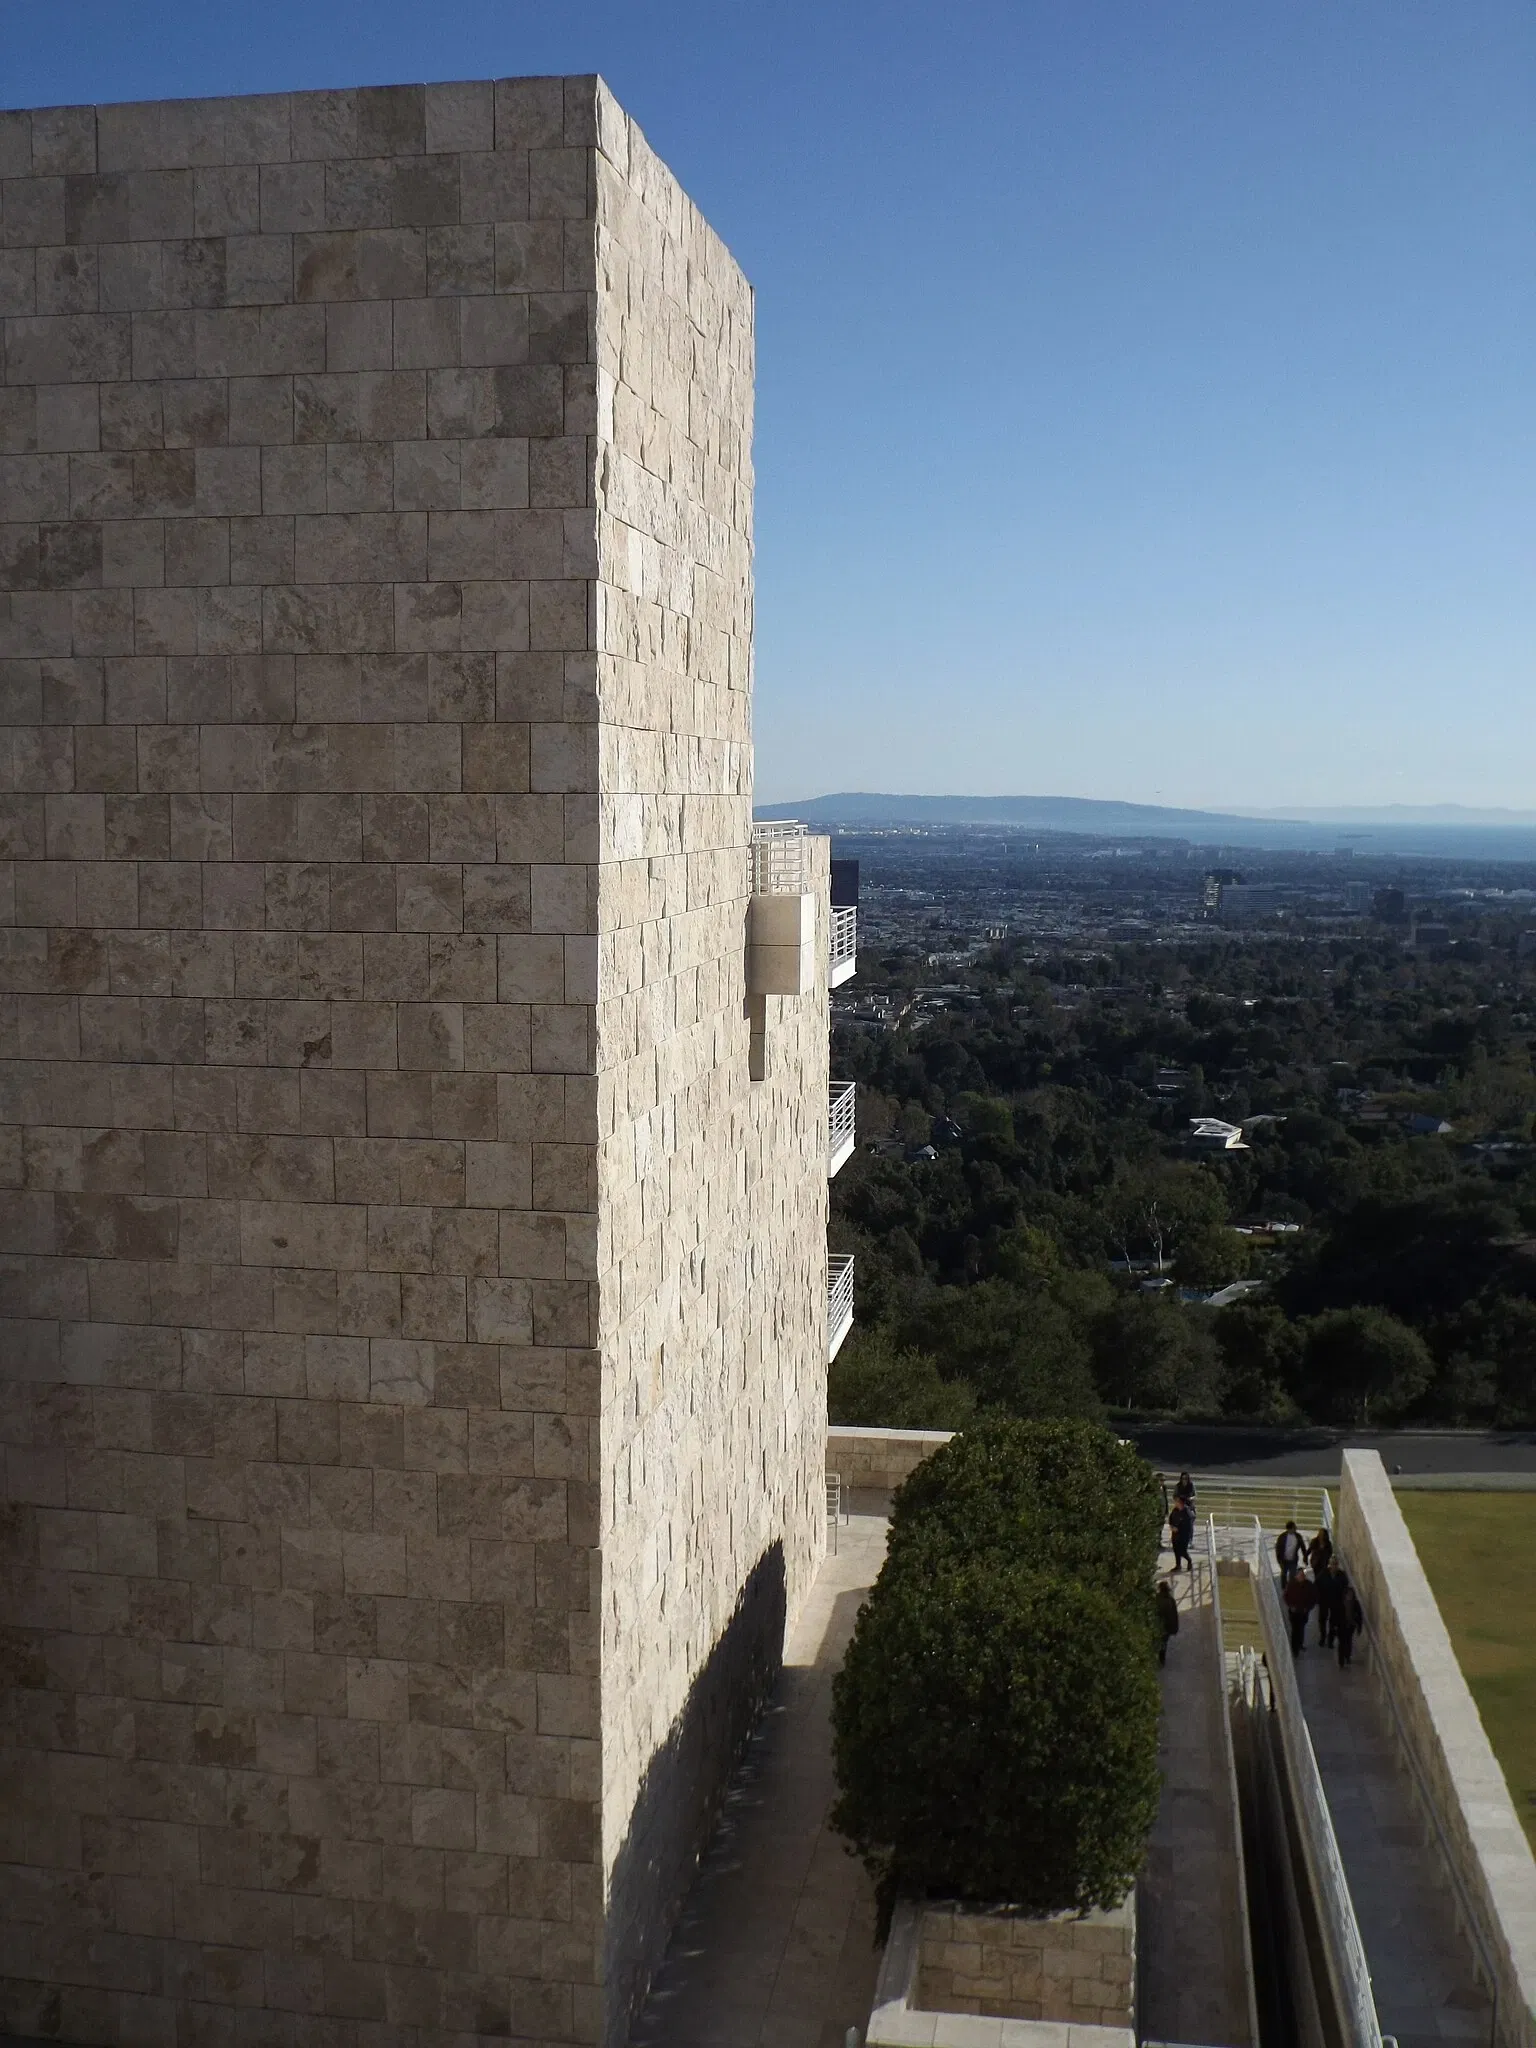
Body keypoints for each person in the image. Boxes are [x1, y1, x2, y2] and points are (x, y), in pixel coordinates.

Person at [1283, 1566, 1315, 1654]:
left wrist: (1308, 1608)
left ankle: (1300, 1644)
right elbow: (1286, 1597)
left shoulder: (1309, 1585)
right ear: (1297, 1576)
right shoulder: (1291, 1584)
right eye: (1300, 1575)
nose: (1302, 1577)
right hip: (1294, 1612)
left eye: (1303, 1575)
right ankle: (1294, 1648)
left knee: (1301, 1629)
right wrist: (1291, 1606)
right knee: (1295, 1629)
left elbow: (1313, 1598)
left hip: (1303, 1612)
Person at [1335, 1577, 1365, 1667]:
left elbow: (1359, 1616)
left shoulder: (1355, 1604)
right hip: (1341, 1626)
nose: (1350, 1596)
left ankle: (1347, 1656)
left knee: (1348, 1642)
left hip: (1350, 1626)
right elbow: (1335, 1615)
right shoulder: (1340, 1604)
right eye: (1348, 1594)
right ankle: (1341, 1661)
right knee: (1341, 1644)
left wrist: (1359, 1627)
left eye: (1351, 1594)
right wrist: (1334, 1626)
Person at [1315, 1559, 1344, 1647]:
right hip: (1324, 1602)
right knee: (1322, 1621)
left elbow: (1344, 1588)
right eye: (1332, 1564)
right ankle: (1323, 1638)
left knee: (1333, 1623)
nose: (1334, 1566)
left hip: (1335, 1603)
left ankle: (1330, 1641)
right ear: (1329, 1565)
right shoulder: (1323, 1574)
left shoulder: (1341, 1575)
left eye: (1335, 1564)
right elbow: (1316, 1585)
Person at [1156, 1579, 1180, 1664]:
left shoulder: (1156, 1598)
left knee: (1159, 1640)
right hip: (1167, 1626)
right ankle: (1162, 1658)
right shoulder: (1171, 1600)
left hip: (1157, 1624)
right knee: (1164, 1642)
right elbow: (1174, 1615)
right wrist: (1175, 1628)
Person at [1275, 1521, 1304, 1587]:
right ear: (1289, 1529)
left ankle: (1291, 1587)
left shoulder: (1298, 1537)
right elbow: (1278, 1548)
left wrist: (1305, 1556)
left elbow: (1303, 1546)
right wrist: (1279, 1560)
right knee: (1283, 1575)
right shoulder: (1282, 1537)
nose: (1295, 1529)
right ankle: (1284, 1588)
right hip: (1284, 1560)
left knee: (1293, 1575)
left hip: (1293, 1560)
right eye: (1294, 1528)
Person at [1169, 1498, 1194, 1573]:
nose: (1175, 1503)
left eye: (1177, 1502)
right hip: (1175, 1534)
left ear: (1181, 1503)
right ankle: (1178, 1565)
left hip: (1183, 1535)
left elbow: (1188, 1526)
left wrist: (1178, 1529)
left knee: (1183, 1551)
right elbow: (1171, 1518)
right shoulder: (1175, 1510)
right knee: (1176, 1550)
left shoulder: (1187, 1513)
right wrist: (1171, 1526)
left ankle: (1189, 1560)